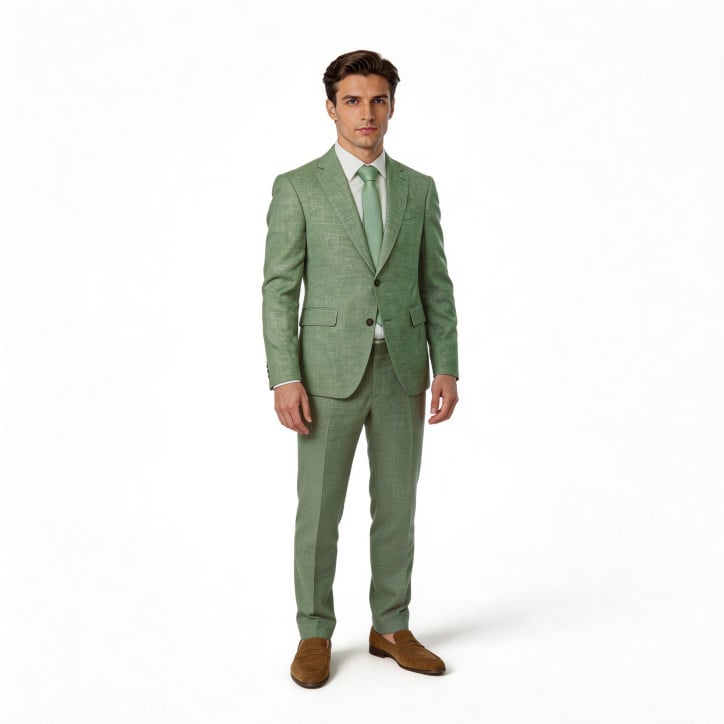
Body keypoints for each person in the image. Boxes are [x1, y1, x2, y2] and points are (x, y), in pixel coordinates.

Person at [262, 49, 459, 688]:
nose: (366, 113)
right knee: (319, 511)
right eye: (352, 101)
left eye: (378, 100)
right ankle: (314, 632)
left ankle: (391, 626)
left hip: (403, 368)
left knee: (397, 506)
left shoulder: (418, 188)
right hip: (325, 373)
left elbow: (436, 285)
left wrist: (447, 365)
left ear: (392, 106)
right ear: (331, 108)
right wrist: (284, 376)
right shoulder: (298, 186)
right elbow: (278, 289)